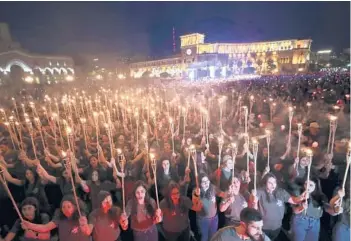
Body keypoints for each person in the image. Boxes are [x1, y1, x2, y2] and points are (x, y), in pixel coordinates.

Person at [21, 195, 90, 241]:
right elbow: (45, 228)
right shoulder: (59, 216)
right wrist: (29, 225)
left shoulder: (81, 215)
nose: (66, 209)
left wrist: (84, 225)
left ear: (74, 207)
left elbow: (87, 232)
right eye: (63, 207)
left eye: (68, 207)